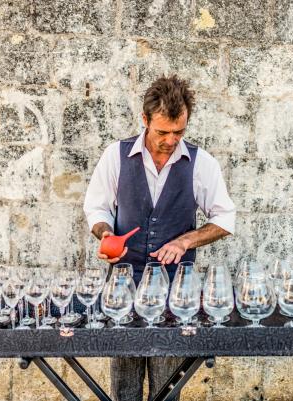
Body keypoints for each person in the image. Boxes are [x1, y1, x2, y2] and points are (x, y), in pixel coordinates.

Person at [83, 74, 236, 401]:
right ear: (145, 120)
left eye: (179, 132)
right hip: (123, 284)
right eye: (162, 131)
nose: (170, 140)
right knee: (125, 385)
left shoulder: (201, 163)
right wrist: (107, 234)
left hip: (176, 288)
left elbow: (225, 218)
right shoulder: (116, 156)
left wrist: (186, 241)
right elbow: (96, 208)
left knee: (167, 387)